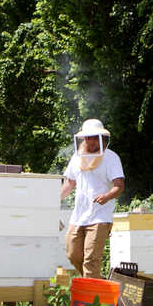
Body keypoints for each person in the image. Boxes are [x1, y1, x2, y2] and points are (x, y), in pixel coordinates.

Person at [60, 118, 125, 278]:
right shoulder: (77, 157)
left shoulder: (111, 158)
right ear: (83, 139)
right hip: (79, 215)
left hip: (100, 216)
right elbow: (69, 183)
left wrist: (107, 196)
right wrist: (53, 201)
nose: (91, 141)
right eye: (88, 137)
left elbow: (119, 184)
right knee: (73, 254)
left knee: (90, 261)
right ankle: (99, 282)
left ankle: (95, 300)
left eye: (95, 137)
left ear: (102, 138)